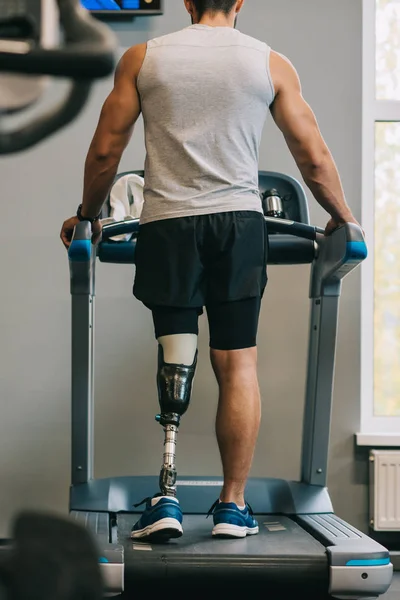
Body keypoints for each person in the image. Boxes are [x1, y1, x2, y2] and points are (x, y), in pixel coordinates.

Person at [61, 0, 360, 541]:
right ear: (240, 1)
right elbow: (311, 155)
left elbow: (107, 149)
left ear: (186, 2)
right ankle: (232, 506)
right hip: (239, 229)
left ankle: (168, 498)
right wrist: (345, 218)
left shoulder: (143, 57)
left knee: (176, 353)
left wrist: (87, 215)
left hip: (168, 226)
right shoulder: (269, 62)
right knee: (237, 364)